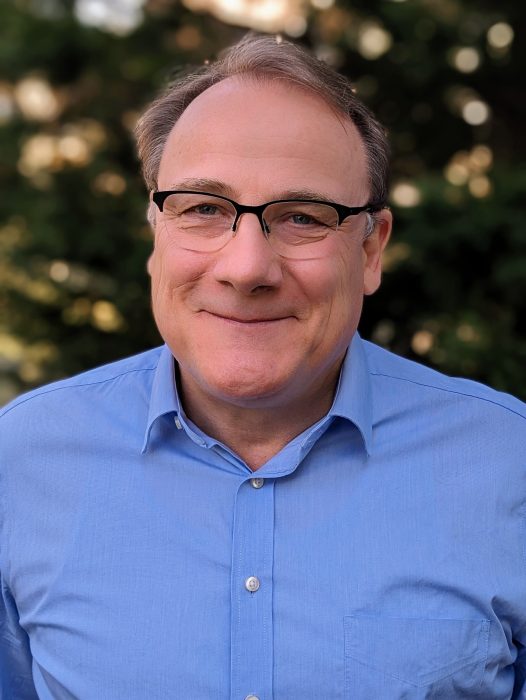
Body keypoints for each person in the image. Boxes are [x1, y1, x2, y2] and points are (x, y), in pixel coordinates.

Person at [1, 33, 525, 700]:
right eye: (203, 210)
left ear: (370, 252)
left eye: (303, 216)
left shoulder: (510, 467)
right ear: (155, 235)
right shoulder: (20, 463)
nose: (246, 268)